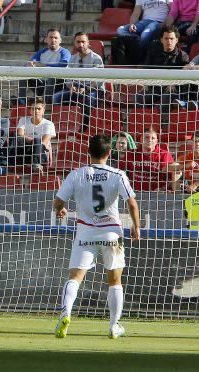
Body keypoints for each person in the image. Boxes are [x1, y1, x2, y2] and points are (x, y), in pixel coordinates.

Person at [52, 134, 141, 339]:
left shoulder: (76, 174)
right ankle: (113, 325)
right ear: (109, 153)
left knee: (75, 277)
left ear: (88, 152)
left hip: (86, 232)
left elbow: (57, 202)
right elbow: (132, 203)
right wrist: (136, 227)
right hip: (111, 233)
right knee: (115, 280)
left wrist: (61, 210)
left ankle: (65, 313)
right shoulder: (118, 174)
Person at [16, 28, 70, 105]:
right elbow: (31, 62)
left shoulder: (64, 52)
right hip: (42, 84)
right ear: (46, 40)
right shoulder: (41, 52)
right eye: (50, 37)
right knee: (24, 74)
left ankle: (45, 103)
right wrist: (29, 65)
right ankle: (22, 101)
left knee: (52, 76)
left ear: (60, 40)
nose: (53, 40)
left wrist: (45, 66)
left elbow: (63, 64)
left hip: (59, 85)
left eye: (55, 38)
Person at [138, 25, 190, 106]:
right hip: (155, 88)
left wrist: (175, 83)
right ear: (161, 40)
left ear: (176, 40)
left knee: (165, 98)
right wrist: (145, 83)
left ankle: (164, 119)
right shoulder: (153, 53)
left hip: (173, 89)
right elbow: (146, 69)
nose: (169, 41)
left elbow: (186, 76)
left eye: (171, 39)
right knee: (140, 97)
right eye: (166, 38)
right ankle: (144, 118)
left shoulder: (183, 56)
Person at [117, 127, 180, 191]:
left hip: (158, 194)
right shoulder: (131, 154)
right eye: (147, 137)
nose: (150, 140)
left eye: (153, 138)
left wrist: (163, 189)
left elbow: (172, 177)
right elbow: (119, 173)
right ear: (141, 140)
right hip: (135, 193)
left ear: (156, 141)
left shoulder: (164, 155)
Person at [10, 98, 56, 173]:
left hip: (41, 154)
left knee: (38, 141)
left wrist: (32, 140)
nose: (36, 111)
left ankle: (37, 165)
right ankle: (7, 164)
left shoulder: (49, 124)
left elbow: (44, 143)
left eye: (39, 109)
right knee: (14, 136)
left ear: (43, 110)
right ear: (30, 111)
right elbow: (19, 135)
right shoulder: (23, 120)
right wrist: (33, 141)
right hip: (25, 153)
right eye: (34, 109)